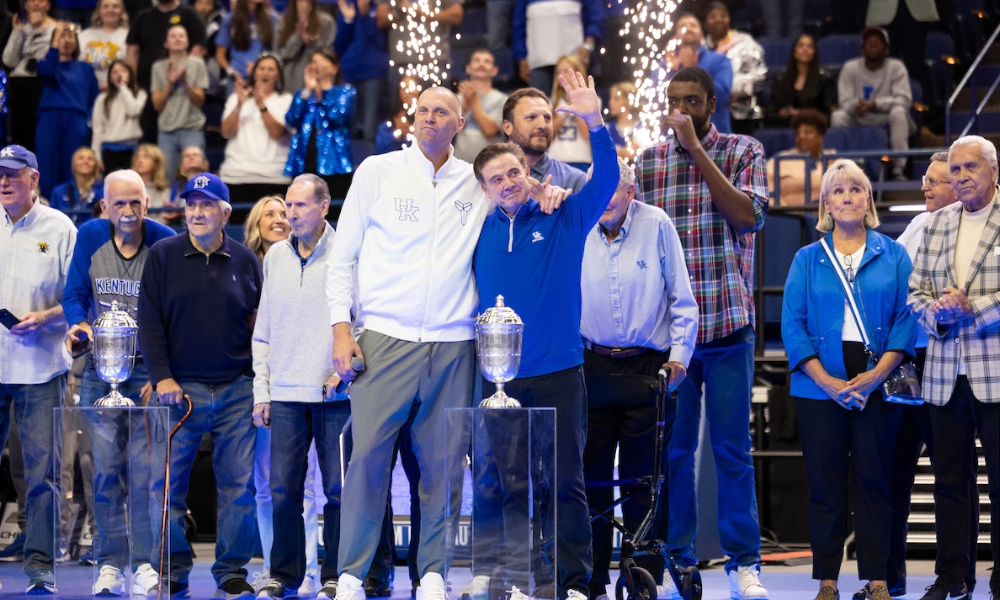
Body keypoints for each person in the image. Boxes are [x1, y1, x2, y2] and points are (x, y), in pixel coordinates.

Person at [327, 85, 569, 600]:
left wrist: (547, 191)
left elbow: (514, 193)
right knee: (367, 458)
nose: (429, 118)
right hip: (384, 337)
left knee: (442, 466)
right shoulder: (377, 172)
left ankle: (432, 571)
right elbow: (341, 257)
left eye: (441, 112)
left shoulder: (474, 182)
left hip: (454, 344)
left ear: (460, 124)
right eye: (422, 111)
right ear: (411, 119)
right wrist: (340, 328)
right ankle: (351, 572)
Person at [471, 69, 617, 600]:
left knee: (565, 485)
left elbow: (607, 180)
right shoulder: (478, 229)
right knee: (508, 487)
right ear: (485, 189)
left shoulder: (564, 213)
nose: (508, 184)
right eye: (497, 180)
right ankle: (517, 579)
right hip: (498, 380)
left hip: (559, 371)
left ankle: (574, 584)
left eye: (514, 174)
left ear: (525, 171)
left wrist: (594, 121)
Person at [634, 66, 769, 600]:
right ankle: (680, 561)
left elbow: (748, 217)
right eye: (674, 102)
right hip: (675, 340)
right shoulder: (648, 163)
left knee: (732, 450)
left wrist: (697, 151)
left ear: (711, 103)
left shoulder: (742, 151)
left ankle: (744, 564)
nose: (681, 111)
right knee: (673, 453)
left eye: (692, 101)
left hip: (730, 326)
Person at [781, 159, 916, 600]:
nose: (847, 198)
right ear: (826, 203)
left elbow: (905, 318)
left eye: (855, 189)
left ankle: (878, 579)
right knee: (825, 486)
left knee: (876, 481)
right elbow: (793, 326)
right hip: (819, 384)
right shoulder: (807, 258)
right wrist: (826, 382)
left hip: (877, 378)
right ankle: (827, 581)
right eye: (838, 192)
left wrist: (877, 375)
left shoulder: (892, 253)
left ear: (868, 199)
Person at [137, 173, 262, 600]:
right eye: (191, 204)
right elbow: (149, 323)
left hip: (235, 388)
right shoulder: (162, 255)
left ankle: (230, 570)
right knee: (166, 486)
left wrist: (256, 381)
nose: (196, 212)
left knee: (238, 487)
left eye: (206, 204)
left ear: (225, 212)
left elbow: (257, 325)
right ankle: (171, 569)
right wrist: (162, 377)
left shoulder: (246, 260)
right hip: (180, 390)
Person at [580, 156, 698, 600]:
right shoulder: (578, 225)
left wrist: (679, 359)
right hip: (592, 365)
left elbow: (683, 301)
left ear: (630, 193)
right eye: (599, 189)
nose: (605, 200)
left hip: (649, 367)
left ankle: (642, 576)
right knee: (588, 478)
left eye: (613, 189)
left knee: (643, 479)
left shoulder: (658, 224)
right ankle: (587, 579)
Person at [60, 168, 176, 598]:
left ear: (147, 204)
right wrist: (79, 325)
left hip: (147, 373)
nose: (127, 212)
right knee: (105, 472)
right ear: (104, 206)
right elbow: (73, 294)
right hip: (99, 371)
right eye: (119, 203)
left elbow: (173, 309)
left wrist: (164, 371)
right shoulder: (90, 236)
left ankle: (146, 563)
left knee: (146, 475)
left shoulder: (164, 240)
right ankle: (110, 563)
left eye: (135, 203)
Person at [907, 134, 1000, 600]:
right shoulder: (936, 222)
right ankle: (952, 578)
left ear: (993, 172)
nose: (961, 177)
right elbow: (915, 293)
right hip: (944, 373)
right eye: (956, 170)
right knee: (948, 484)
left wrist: (972, 311)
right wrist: (938, 315)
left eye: (971, 168)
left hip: (996, 373)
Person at [253, 175, 349, 600]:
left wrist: (343, 371)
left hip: (335, 394)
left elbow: (360, 320)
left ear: (324, 207)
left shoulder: (347, 252)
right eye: (288, 206)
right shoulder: (274, 256)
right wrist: (262, 391)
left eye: (300, 206)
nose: (290, 214)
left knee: (337, 492)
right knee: (282, 491)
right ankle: (284, 575)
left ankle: (335, 575)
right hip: (286, 394)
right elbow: (263, 332)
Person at [889, 152, 977, 598]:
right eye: (925, 181)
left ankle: (960, 574)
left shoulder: (961, 226)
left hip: (946, 359)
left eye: (934, 182)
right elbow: (897, 284)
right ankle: (892, 577)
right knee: (896, 468)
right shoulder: (920, 226)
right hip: (907, 361)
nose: (925, 189)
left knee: (953, 473)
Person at [0, 144, 77, 594]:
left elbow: (77, 300)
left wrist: (44, 319)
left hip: (40, 368)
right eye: (0, 174)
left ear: (34, 178)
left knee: (42, 475)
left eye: (13, 173)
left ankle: (40, 567)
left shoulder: (60, 227)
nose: (5, 180)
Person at [831, 27, 915, 181]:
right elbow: (844, 102)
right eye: (869, 42)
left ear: (887, 50)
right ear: (862, 49)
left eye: (878, 42)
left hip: (886, 116)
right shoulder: (850, 67)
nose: (873, 45)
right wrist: (856, 106)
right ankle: (842, 168)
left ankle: (898, 168)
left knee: (899, 113)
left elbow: (904, 100)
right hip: (859, 116)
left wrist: (875, 104)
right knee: (838, 116)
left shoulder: (897, 67)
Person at [126, 0, 206, 142]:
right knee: (148, 138)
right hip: (146, 87)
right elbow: (133, 51)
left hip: (183, 88)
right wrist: (132, 84)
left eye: (181, 37)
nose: (177, 40)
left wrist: (183, 73)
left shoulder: (189, 14)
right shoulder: (143, 16)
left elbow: (198, 47)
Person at [36, 22, 100, 200]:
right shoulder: (46, 64)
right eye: (62, 36)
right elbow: (48, 72)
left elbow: (94, 99)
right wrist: (54, 39)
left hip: (76, 119)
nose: (66, 40)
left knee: (75, 165)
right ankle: (48, 205)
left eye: (70, 36)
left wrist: (87, 122)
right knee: (47, 165)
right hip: (49, 118)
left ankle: (74, 207)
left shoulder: (86, 68)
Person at [219, 54, 293, 205]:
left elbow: (278, 132)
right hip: (236, 175)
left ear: (278, 75)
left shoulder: (286, 100)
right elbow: (226, 131)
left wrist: (261, 105)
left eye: (271, 69)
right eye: (262, 69)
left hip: (274, 177)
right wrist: (240, 105)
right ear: (254, 73)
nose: (265, 73)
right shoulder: (236, 98)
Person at [284, 49, 356, 200]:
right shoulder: (303, 94)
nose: (317, 67)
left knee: (334, 208)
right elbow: (291, 119)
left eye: (321, 63)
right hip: (304, 162)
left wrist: (321, 93)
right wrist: (307, 90)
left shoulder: (345, 91)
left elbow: (337, 117)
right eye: (314, 63)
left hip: (335, 164)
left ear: (334, 68)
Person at [150, 24, 208, 181]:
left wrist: (185, 83)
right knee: (166, 177)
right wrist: (169, 83)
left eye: (181, 36)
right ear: (166, 43)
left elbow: (200, 100)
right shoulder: (157, 67)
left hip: (192, 128)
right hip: (166, 130)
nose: (177, 39)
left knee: (196, 176)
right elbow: (157, 105)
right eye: (173, 36)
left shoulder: (198, 64)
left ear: (187, 42)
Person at [502, 87, 587, 192]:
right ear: (507, 127)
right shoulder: (488, 178)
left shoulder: (575, 181)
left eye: (547, 118)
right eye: (531, 117)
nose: (542, 125)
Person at [512, 0, 602, 93]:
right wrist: (521, 56)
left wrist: (588, 45)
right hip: (539, 63)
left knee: (579, 101)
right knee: (539, 102)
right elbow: (518, 25)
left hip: (573, 60)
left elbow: (595, 16)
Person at [2, 0, 57, 151]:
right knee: (19, 135)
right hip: (19, 85)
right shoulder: (20, 28)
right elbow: (9, 61)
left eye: (41, 0)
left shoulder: (56, 28)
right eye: (32, 0)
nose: (36, 4)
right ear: (25, 5)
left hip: (43, 84)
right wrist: (18, 32)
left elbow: (55, 59)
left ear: (48, 5)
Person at [667, 12, 732, 134]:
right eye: (683, 26)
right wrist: (669, 71)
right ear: (675, 36)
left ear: (702, 35)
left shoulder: (720, 60)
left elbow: (722, 96)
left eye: (693, 25)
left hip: (714, 140)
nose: (688, 28)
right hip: (673, 141)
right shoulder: (666, 65)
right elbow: (653, 102)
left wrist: (693, 70)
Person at [704, 2, 765, 127]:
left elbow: (759, 76)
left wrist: (728, 89)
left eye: (723, 15)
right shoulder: (700, 48)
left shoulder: (745, 43)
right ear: (705, 23)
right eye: (713, 16)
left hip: (741, 116)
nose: (718, 20)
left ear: (729, 19)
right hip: (708, 116)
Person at [334, 0, 386, 143]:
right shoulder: (347, 8)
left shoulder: (380, 9)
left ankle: (371, 162)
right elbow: (338, 44)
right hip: (350, 73)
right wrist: (348, 21)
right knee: (348, 126)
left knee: (370, 130)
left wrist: (365, 17)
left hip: (373, 74)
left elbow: (381, 43)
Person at [766, 109, 834, 206]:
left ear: (820, 137)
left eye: (807, 132)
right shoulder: (779, 160)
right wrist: (785, 212)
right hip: (788, 217)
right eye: (798, 134)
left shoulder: (834, 161)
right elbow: (765, 192)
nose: (801, 136)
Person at [91, 60, 147, 175]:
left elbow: (133, 110)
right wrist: (97, 156)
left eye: (123, 71)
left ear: (130, 75)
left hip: (131, 149)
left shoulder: (140, 94)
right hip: (108, 150)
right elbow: (97, 129)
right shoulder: (102, 99)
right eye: (114, 72)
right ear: (110, 77)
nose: (119, 75)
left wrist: (123, 88)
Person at [454, 49, 508, 163]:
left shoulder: (503, 100)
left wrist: (473, 101)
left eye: (487, 61)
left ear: (494, 71)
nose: (481, 64)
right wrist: (463, 107)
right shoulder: (456, 99)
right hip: (459, 165)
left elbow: (490, 130)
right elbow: (447, 130)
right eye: (477, 60)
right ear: (468, 68)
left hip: (492, 166)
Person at [770, 33, 835, 126]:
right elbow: (774, 110)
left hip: (814, 127)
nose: (805, 49)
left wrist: (801, 114)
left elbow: (827, 112)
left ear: (814, 52)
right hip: (786, 125)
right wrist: (782, 113)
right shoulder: (780, 80)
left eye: (810, 46)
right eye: (801, 46)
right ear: (794, 51)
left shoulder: (825, 80)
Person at [548, 54, 594, 171]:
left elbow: (586, 134)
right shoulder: (551, 102)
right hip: (556, 161)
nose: (561, 75)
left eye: (566, 71)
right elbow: (549, 135)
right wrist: (565, 111)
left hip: (581, 160)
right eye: (558, 72)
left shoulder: (592, 100)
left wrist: (576, 103)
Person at [215, 0, 277, 87]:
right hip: (237, 79)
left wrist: (259, 67)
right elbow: (220, 55)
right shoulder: (229, 19)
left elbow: (277, 52)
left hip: (264, 78)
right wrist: (232, 72)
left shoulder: (273, 19)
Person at [279, 0, 335, 93]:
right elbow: (280, 55)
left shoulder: (326, 22)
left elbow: (328, 58)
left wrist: (312, 45)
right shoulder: (283, 21)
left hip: (317, 82)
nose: (304, 4)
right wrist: (298, 37)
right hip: (289, 83)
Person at [77, 0, 128, 89]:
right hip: (86, 91)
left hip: (116, 91)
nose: (110, 10)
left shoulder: (129, 36)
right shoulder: (83, 35)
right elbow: (76, 66)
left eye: (115, 6)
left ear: (122, 11)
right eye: (105, 6)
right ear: (99, 11)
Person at [49, 147, 105, 222]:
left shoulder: (104, 190)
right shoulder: (59, 191)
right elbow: (52, 219)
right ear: (73, 164)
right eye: (81, 158)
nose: (85, 161)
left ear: (95, 164)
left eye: (90, 159)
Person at [375, 75, 418, 155]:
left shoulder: (428, 119)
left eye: (412, 87)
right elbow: (381, 152)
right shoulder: (390, 124)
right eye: (404, 88)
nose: (408, 92)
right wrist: (397, 136)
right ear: (399, 92)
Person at [131, 144, 172, 223]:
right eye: (137, 157)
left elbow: (165, 218)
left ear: (156, 163)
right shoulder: (126, 188)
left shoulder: (165, 191)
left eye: (146, 157)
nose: (139, 161)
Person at [607, 81, 638, 159]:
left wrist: (614, 152)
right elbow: (603, 154)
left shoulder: (641, 128)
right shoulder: (607, 128)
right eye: (611, 98)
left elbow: (635, 153)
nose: (611, 102)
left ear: (629, 102)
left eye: (616, 99)